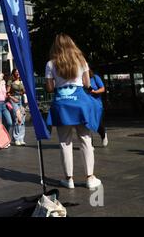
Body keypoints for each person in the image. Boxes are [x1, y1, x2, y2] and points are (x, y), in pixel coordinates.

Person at [45, 33, 102, 190]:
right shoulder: (81, 60)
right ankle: (90, 177)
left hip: (61, 105)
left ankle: (68, 179)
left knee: (64, 142)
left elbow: (50, 88)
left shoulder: (50, 64)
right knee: (85, 140)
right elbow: (86, 84)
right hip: (80, 104)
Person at [6, 69, 26, 146]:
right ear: (14, 73)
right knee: (18, 119)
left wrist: (24, 91)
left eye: (19, 72)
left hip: (21, 100)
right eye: (16, 72)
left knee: (23, 120)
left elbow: (24, 91)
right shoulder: (10, 81)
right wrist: (12, 98)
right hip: (14, 100)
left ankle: (21, 139)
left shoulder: (22, 81)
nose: (18, 73)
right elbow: (7, 93)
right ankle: (16, 138)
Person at [88, 69, 108, 147]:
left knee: (98, 123)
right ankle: (90, 145)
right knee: (87, 124)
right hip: (86, 105)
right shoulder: (80, 79)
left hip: (96, 105)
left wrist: (95, 92)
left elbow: (102, 89)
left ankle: (103, 135)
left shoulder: (95, 77)